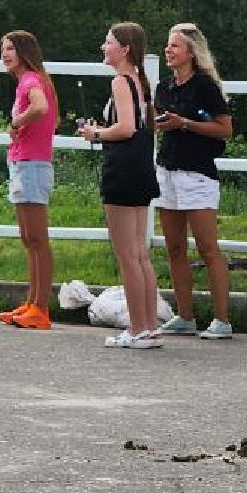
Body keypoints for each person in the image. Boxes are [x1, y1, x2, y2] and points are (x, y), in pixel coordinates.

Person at [75, 23, 163, 350]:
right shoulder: (140, 80)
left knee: (127, 254)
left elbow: (125, 128)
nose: (103, 47)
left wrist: (95, 134)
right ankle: (149, 327)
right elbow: (133, 125)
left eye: (109, 42)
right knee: (140, 253)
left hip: (122, 169)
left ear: (124, 49)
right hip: (140, 168)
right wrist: (104, 130)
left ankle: (137, 328)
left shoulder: (120, 81)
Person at [151, 24, 237, 340]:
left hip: (197, 172)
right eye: (167, 45)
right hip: (168, 170)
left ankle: (222, 319)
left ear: (191, 52)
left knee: (207, 247)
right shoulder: (163, 86)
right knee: (174, 248)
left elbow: (225, 129)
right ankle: (185, 315)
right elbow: (159, 119)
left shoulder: (205, 87)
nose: (168, 50)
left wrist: (184, 123)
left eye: (174, 46)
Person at [0, 30, 58, 331]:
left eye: (11, 48)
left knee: (37, 239)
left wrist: (17, 121)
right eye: (3, 49)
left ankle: (42, 307)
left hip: (32, 165)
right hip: (24, 163)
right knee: (28, 238)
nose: (5, 54)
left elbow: (41, 108)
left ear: (25, 51)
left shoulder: (32, 81)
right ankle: (32, 301)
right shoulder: (29, 81)